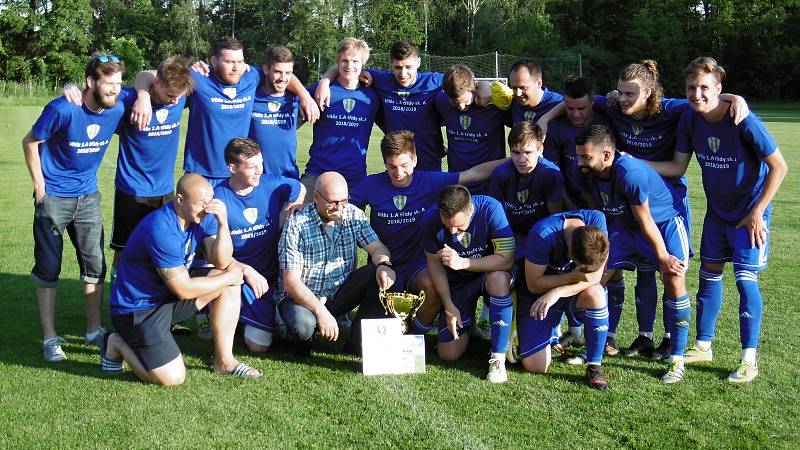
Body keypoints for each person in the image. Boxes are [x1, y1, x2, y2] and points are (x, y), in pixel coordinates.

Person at [591, 60, 748, 359]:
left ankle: (669, 338)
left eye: (630, 94)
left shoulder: (671, 109)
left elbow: (703, 100)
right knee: (643, 272)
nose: (623, 99)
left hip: (668, 205)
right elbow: (576, 98)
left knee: (671, 271)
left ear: (649, 92)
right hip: (631, 203)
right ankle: (644, 337)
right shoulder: (614, 105)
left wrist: (734, 98)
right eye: (620, 93)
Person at [647, 57, 788, 383]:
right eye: (692, 88)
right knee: (708, 277)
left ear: (719, 90)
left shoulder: (743, 119)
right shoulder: (689, 119)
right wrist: (633, 161)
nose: (697, 94)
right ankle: (703, 346)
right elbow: (677, 168)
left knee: (745, 281)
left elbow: (779, 166)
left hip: (750, 214)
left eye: (705, 88)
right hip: (717, 214)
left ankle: (748, 359)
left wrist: (757, 211)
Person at [102, 173, 261, 384]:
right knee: (172, 378)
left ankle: (224, 361)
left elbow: (221, 262)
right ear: (179, 200)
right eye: (201, 204)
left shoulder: (203, 217)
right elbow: (183, 290)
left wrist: (223, 224)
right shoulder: (161, 229)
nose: (206, 208)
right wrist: (233, 274)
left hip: (167, 299)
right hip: (138, 310)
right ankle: (116, 343)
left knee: (228, 281)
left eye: (209, 202)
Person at [23, 53, 126, 361]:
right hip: (53, 198)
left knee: (95, 266)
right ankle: (50, 338)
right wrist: (39, 185)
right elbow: (30, 141)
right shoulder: (62, 108)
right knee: (49, 268)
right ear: (90, 82)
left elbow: (151, 86)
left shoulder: (117, 107)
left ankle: (94, 331)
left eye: (119, 84)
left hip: (89, 198)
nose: (115, 90)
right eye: (108, 84)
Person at [350, 130, 504, 335]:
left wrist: (517, 159)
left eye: (404, 165)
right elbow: (347, 210)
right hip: (383, 264)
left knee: (432, 284)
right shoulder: (370, 184)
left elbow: (474, 174)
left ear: (414, 159)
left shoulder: (429, 181)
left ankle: (415, 335)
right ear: (385, 163)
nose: (398, 173)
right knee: (362, 339)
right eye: (391, 167)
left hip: (418, 263)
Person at [575, 125, 691, 383]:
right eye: (578, 156)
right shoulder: (585, 171)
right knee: (596, 277)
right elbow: (597, 208)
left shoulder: (630, 173)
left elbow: (646, 219)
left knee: (673, 278)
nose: (580, 162)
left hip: (662, 224)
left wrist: (663, 257)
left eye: (586, 157)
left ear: (607, 155)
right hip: (623, 226)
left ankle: (677, 360)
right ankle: (593, 349)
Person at [131, 36, 319, 186]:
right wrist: (143, 96)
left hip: (238, 174)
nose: (236, 67)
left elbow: (282, 72)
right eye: (229, 61)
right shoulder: (198, 77)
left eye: (240, 61)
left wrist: (304, 95)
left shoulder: (251, 76)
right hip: (202, 174)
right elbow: (149, 74)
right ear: (213, 61)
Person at [277, 172, 395, 357]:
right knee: (304, 326)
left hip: (338, 294)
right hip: (303, 299)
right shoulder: (296, 225)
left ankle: (358, 344)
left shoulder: (353, 214)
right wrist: (321, 312)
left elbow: (378, 248)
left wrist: (384, 264)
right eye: (333, 202)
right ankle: (304, 340)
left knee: (376, 274)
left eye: (344, 200)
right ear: (315, 197)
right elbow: (290, 282)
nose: (340, 208)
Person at [107, 56, 194, 282]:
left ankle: (159, 306)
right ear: (157, 83)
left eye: (179, 97)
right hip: (131, 189)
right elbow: (98, 97)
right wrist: (143, 96)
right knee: (124, 250)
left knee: (164, 248)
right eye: (169, 96)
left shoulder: (180, 96)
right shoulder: (129, 100)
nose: (175, 102)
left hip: (165, 190)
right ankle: (118, 299)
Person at [214, 138, 304, 352]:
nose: (258, 171)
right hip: (240, 279)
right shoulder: (218, 198)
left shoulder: (271, 184)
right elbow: (213, 255)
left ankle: (260, 318)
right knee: (257, 347)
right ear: (232, 168)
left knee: (261, 343)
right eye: (251, 166)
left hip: (273, 278)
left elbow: (298, 188)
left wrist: (292, 209)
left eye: (260, 164)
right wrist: (246, 270)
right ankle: (231, 318)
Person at [421, 185, 515, 383]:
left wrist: (464, 262)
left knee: (499, 278)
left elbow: (506, 259)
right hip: (458, 283)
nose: (453, 232)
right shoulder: (430, 219)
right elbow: (434, 266)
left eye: (459, 226)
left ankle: (497, 358)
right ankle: (468, 325)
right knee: (448, 354)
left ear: (470, 210)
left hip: (486, 275)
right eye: (447, 227)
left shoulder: (491, 209)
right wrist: (449, 305)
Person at [518, 210, 610, 389]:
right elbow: (533, 284)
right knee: (536, 366)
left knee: (596, 293)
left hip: (561, 293)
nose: (582, 269)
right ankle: (540, 329)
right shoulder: (543, 234)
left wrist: (558, 292)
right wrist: (572, 276)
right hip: (537, 295)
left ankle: (595, 365)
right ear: (568, 245)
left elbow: (594, 278)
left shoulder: (597, 225)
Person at [301, 38, 380, 195]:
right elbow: (295, 100)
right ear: (338, 61)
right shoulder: (321, 90)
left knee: (351, 220)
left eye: (355, 61)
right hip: (317, 173)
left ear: (363, 64)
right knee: (294, 214)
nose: (349, 66)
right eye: (345, 60)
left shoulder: (373, 95)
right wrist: (324, 81)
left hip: (353, 179)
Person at [434, 65, 511, 192]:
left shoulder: (494, 103)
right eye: (455, 103)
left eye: (465, 101)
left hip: (491, 184)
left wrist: (485, 84)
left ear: (473, 88)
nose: (461, 107)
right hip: (458, 185)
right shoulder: (441, 102)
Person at [249, 46, 302, 179]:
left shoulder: (296, 99)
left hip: (289, 180)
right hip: (256, 181)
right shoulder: (250, 97)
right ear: (266, 69)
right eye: (278, 72)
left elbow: (336, 76)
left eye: (288, 73)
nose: (283, 78)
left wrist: (306, 95)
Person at [508, 59, 563, 124]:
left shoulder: (557, 103)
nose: (518, 93)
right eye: (514, 88)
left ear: (539, 83)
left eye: (523, 88)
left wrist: (546, 118)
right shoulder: (511, 102)